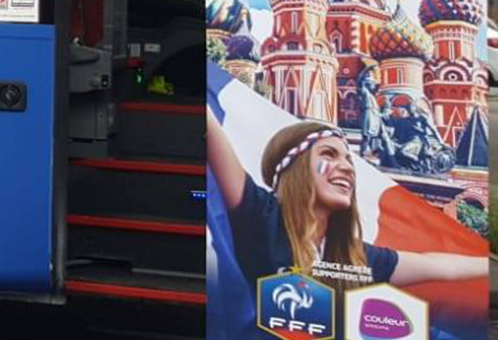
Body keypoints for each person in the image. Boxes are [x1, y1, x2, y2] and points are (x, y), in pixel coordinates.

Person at [207, 116, 487, 291]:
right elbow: (211, 130)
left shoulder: (352, 258)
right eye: (329, 154)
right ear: (292, 168)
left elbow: (437, 266)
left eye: (348, 160)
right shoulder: (260, 215)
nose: (346, 168)